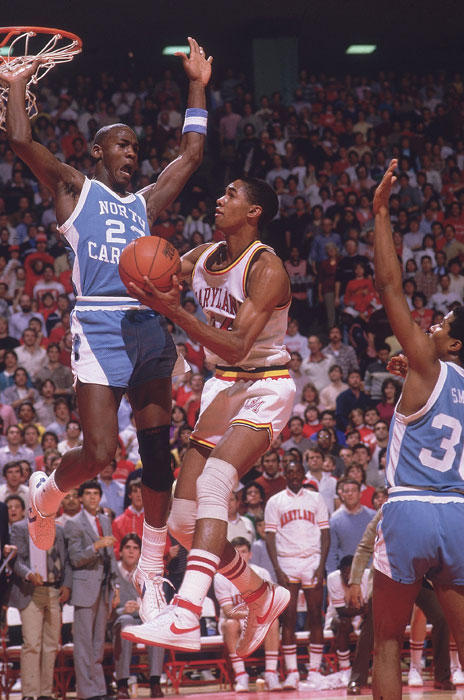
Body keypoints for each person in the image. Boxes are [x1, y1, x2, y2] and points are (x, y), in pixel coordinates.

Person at [3, 39, 213, 625]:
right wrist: (17, 82)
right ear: (98, 149)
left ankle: (150, 574)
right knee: (99, 455)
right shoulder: (77, 189)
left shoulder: (143, 204)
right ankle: (47, 493)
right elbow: (21, 140)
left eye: (137, 148)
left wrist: (196, 84)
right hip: (97, 323)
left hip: (149, 326)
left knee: (155, 457)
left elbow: (191, 155)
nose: (133, 154)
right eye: (123, 145)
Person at [123, 176, 295, 655]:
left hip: (265, 383)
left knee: (217, 480)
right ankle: (261, 594)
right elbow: (152, 279)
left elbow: (239, 346)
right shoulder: (201, 256)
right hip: (221, 387)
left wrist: (175, 312)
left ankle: (186, 614)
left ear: (255, 211)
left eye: (232, 194)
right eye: (222, 192)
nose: (220, 199)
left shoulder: (267, 269)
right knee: (182, 520)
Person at [371, 159, 464, 699]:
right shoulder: (443, 373)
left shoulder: (426, 365)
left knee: (388, 640)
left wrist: (381, 212)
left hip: (409, 508)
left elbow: (389, 284)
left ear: (451, 346)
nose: (431, 324)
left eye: (442, 326)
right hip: (457, 514)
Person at [264, 460, 330, 690]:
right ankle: (292, 672)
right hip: (288, 561)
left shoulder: (316, 498)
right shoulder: (275, 501)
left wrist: (321, 565)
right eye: (289, 471)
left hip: (312, 560)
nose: (293, 475)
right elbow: (270, 537)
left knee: (315, 616)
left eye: (297, 471)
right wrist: (277, 568)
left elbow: (325, 534)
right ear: (284, 474)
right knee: (288, 618)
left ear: (303, 474)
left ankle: (314, 670)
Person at [64, 479, 119, 700]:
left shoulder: (104, 520)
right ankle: (86, 691)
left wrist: (114, 585)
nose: (93, 497)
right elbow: (75, 558)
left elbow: (111, 555)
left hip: (104, 586)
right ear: (80, 498)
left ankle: (99, 689)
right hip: (85, 587)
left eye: (96, 493)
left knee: (98, 642)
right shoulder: (73, 523)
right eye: (88, 493)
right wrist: (95, 546)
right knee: (84, 643)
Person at [9, 517, 72, 700]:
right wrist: (28, 574)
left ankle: (45, 693)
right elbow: (15, 560)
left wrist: (67, 585)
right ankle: (30, 693)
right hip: (30, 591)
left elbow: (66, 561)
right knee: (32, 644)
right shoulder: (20, 528)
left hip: (54, 589)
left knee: (51, 644)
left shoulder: (58, 530)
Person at [214, 537, 282, 692]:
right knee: (230, 625)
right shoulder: (221, 577)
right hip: (235, 621)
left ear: (250, 554)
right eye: (236, 553)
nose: (241, 556)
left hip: (257, 620)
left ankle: (271, 674)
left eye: (243, 552)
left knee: (274, 622)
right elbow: (228, 611)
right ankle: (241, 675)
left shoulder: (262, 573)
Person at [112, 533, 164, 699]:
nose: (131, 552)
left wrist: (140, 607)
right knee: (126, 620)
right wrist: (123, 610)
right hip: (117, 622)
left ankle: (155, 681)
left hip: (141, 620)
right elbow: (106, 609)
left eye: (135, 548)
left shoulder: (145, 574)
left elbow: (156, 603)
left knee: (155, 623)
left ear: (140, 554)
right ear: (120, 552)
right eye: (127, 548)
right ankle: (122, 684)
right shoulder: (112, 572)